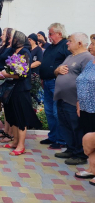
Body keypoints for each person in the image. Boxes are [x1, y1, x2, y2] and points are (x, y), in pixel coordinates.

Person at [0, 31, 42, 156]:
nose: (10, 40)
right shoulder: (14, 51)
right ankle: (15, 141)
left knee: (20, 117)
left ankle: (21, 145)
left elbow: (23, 73)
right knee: (13, 115)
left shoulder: (25, 52)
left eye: (12, 38)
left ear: (18, 39)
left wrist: (5, 74)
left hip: (21, 89)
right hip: (12, 87)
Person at [53, 33, 94, 165]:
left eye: (70, 41)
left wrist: (79, 100)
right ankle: (71, 149)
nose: (67, 43)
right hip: (62, 97)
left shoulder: (87, 57)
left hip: (74, 99)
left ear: (79, 43)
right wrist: (57, 70)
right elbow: (57, 72)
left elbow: (87, 79)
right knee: (65, 125)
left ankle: (79, 154)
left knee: (76, 127)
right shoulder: (70, 56)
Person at [39, 23, 71, 149]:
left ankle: (61, 139)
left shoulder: (65, 46)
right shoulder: (51, 47)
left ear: (59, 33)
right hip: (47, 81)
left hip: (56, 82)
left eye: (51, 34)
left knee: (57, 111)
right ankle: (53, 136)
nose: (49, 36)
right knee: (49, 111)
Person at [0, 28, 15, 140]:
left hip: (6, 79)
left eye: (4, 34)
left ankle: (10, 134)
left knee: (8, 108)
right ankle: (5, 131)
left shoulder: (12, 49)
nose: (1, 36)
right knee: (4, 106)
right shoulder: (4, 46)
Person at [28, 34, 44, 108]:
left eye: (30, 40)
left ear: (34, 41)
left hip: (34, 74)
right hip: (28, 74)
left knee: (34, 92)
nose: (28, 41)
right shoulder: (28, 49)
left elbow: (39, 61)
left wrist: (28, 67)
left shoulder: (38, 49)